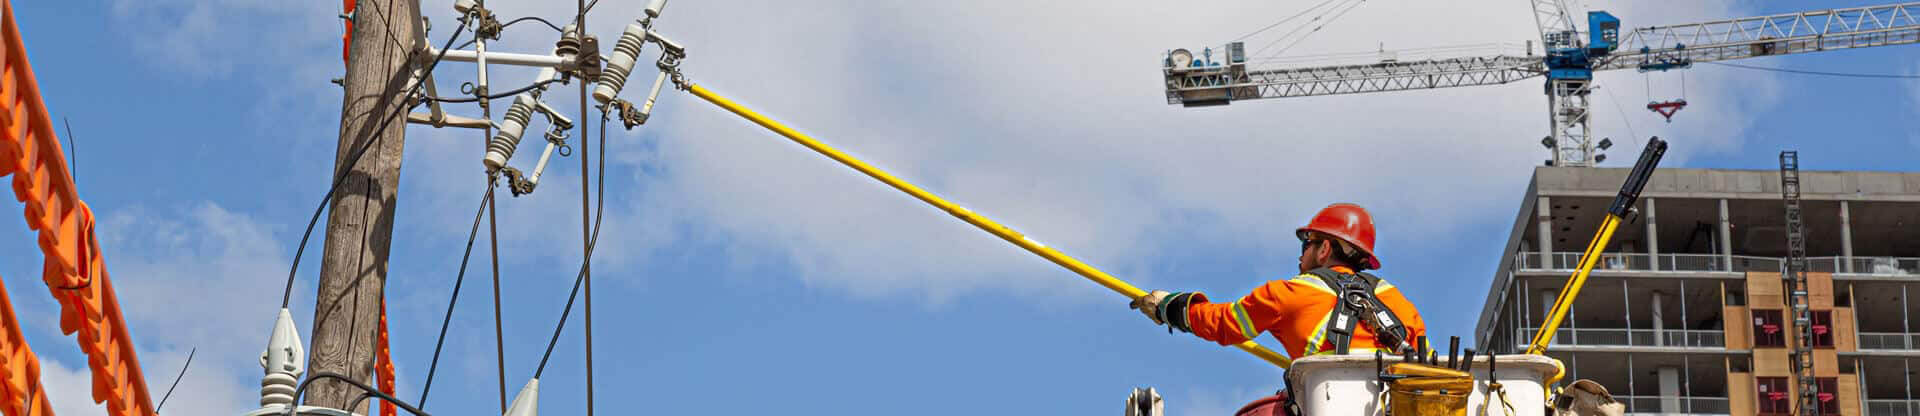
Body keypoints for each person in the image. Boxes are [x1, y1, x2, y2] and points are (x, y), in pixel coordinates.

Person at [1131, 203, 1428, 359]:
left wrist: (1168, 307)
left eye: (1306, 244)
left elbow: (1223, 322)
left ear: (1324, 249)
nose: (1301, 256)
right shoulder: (1398, 303)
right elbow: (1426, 367)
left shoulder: (1288, 294)